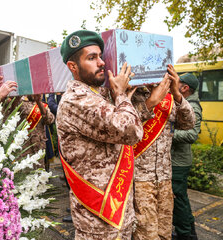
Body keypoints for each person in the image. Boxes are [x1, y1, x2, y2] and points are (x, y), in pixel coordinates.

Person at [56, 29, 157, 240]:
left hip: (118, 212)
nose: (101, 62)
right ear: (73, 67)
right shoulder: (77, 99)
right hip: (98, 219)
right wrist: (120, 94)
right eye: (91, 58)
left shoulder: (97, 95)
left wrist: (133, 90)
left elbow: (130, 116)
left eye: (100, 56)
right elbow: (130, 131)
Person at [132, 65, 196, 240]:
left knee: (165, 231)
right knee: (146, 233)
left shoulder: (170, 98)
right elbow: (124, 126)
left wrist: (177, 94)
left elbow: (189, 123)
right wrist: (150, 102)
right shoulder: (132, 94)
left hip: (165, 176)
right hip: (140, 178)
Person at [171, 73, 201, 240]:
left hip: (179, 162)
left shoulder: (193, 106)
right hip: (177, 160)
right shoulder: (184, 101)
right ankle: (189, 232)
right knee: (181, 197)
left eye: (178, 83)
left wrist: (168, 134)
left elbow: (192, 135)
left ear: (184, 88)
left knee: (178, 200)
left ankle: (184, 234)